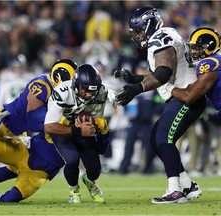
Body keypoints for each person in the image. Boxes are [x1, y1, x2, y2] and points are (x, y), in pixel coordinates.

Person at [114, 7, 205, 204]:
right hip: (181, 96)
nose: (138, 35)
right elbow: (164, 71)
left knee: (163, 139)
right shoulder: (167, 34)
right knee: (156, 140)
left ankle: (175, 191)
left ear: (149, 25)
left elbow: (163, 74)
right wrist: (135, 78)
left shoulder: (161, 38)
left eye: (139, 30)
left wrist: (137, 88)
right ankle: (187, 185)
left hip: (185, 97)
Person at [0, 59, 78, 170]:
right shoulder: (41, 84)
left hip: (21, 126)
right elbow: (34, 116)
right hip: (5, 119)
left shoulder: (52, 87)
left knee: (17, 164)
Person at [44, 64, 114, 204]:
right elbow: (49, 127)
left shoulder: (101, 92)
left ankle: (89, 181)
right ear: (76, 85)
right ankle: (74, 189)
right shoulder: (63, 92)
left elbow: (96, 118)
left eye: (92, 92)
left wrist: (94, 126)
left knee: (95, 169)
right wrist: (78, 130)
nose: (89, 95)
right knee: (72, 159)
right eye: (85, 90)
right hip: (61, 128)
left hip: (82, 127)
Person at [164, 27, 221, 172]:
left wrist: (168, 87)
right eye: (193, 48)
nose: (194, 52)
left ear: (210, 47)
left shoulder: (210, 64)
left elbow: (189, 96)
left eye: (197, 48)